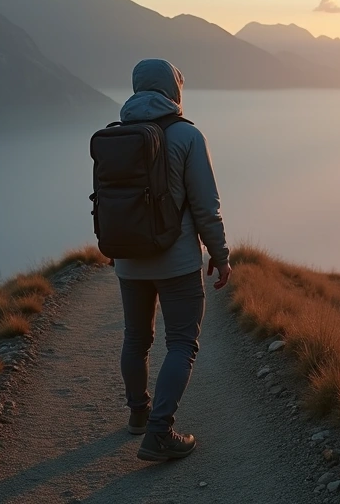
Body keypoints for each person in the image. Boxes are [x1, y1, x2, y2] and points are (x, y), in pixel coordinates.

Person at [112, 59, 231, 461]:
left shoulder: (119, 133)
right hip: (176, 260)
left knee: (136, 339)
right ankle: (160, 434)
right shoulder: (186, 135)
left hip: (128, 258)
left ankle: (139, 415)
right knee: (181, 342)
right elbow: (205, 205)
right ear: (174, 90)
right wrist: (220, 254)